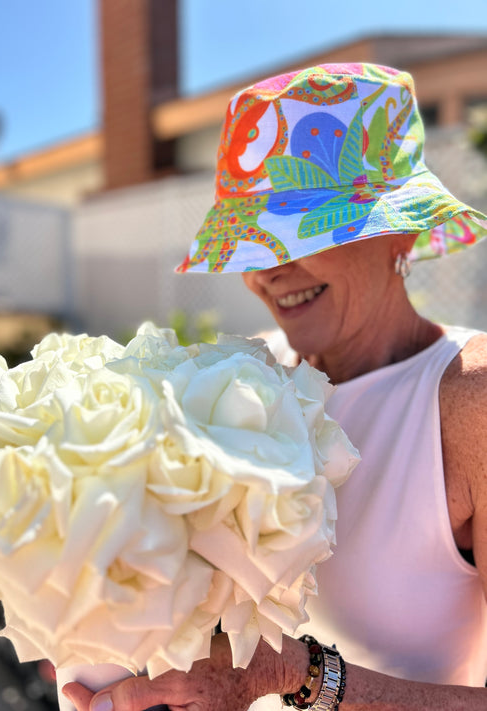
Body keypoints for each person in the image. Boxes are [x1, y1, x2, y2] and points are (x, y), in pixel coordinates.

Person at [64, 63, 487, 710]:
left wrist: (297, 674)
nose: (269, 270)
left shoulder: (467, 398)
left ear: (399, 227)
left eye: (305, 229)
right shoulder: (247, 385)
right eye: (251, 242)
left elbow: (271, 667)